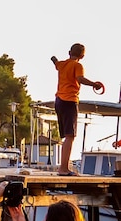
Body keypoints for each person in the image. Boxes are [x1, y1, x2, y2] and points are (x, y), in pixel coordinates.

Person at [52, 43, 104, 176]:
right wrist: (94, 84)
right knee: (70, 136)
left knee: (66, 136)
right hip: (69, 101)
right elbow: (79, 79)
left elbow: (56, 64)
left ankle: (63, 167)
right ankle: (63, 169)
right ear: (82, 56)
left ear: (69, 52)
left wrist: (54, 59)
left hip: (58, 101)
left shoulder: (62, 64)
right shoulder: (78, 65)